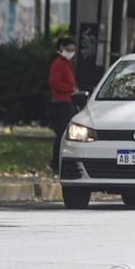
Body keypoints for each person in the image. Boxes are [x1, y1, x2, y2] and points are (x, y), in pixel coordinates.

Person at [48, 36, 79, 174]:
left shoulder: (66, 63)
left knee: (65, 134)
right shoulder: (58, 63)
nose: (71, 52)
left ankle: (59, 163)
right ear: (62, 48)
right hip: (60, 102)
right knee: (61, 134)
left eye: (73, 50)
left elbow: (71, 81)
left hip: (68, 101)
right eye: (68, 49)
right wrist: (70, 89)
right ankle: (55, 163)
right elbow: (54, 82)